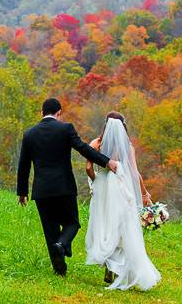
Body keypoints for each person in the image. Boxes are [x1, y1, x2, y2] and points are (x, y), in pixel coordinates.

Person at [16, 98, 119, 276]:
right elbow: (83, 148)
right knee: (72, 223)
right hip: (64, 187)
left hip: (42, 190)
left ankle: (59, 269)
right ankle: (62, 244)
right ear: (59, 113)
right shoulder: (65, 129)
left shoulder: (29, 134)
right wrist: (106, 161)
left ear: (42, 113)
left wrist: (22, 192)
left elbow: (23, 164)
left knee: (50, 230)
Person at [84, 112, 161, 291]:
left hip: (103, 186)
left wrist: (96, 180)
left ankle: (108, 264)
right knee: (121, 226)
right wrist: (144, 194)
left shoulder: (96, 143)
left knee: (103, 224)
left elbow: (88, 167)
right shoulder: (127, 146)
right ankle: (117, 269)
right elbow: (135, 173)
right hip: (120, 186)